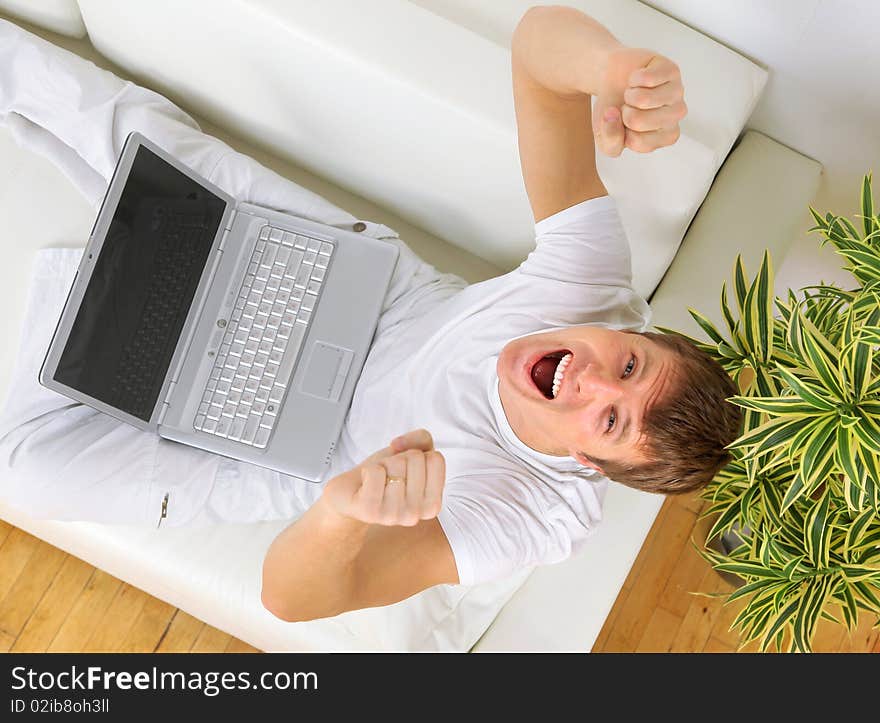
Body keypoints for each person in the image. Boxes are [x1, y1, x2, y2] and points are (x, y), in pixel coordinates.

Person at [0, 6, 741, 623]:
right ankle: (131, 260)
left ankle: (108, 271)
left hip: (305, 456)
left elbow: (290, 598)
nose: (591, 376)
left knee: (22, 474)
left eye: (610, 419)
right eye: (631, 364)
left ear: (588, 462)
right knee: (137, 138)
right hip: (350, 288)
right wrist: (611, 68)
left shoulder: (533, 516)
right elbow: (539, 49)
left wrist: (342, 515)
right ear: (636, 333)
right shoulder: (592, 290)